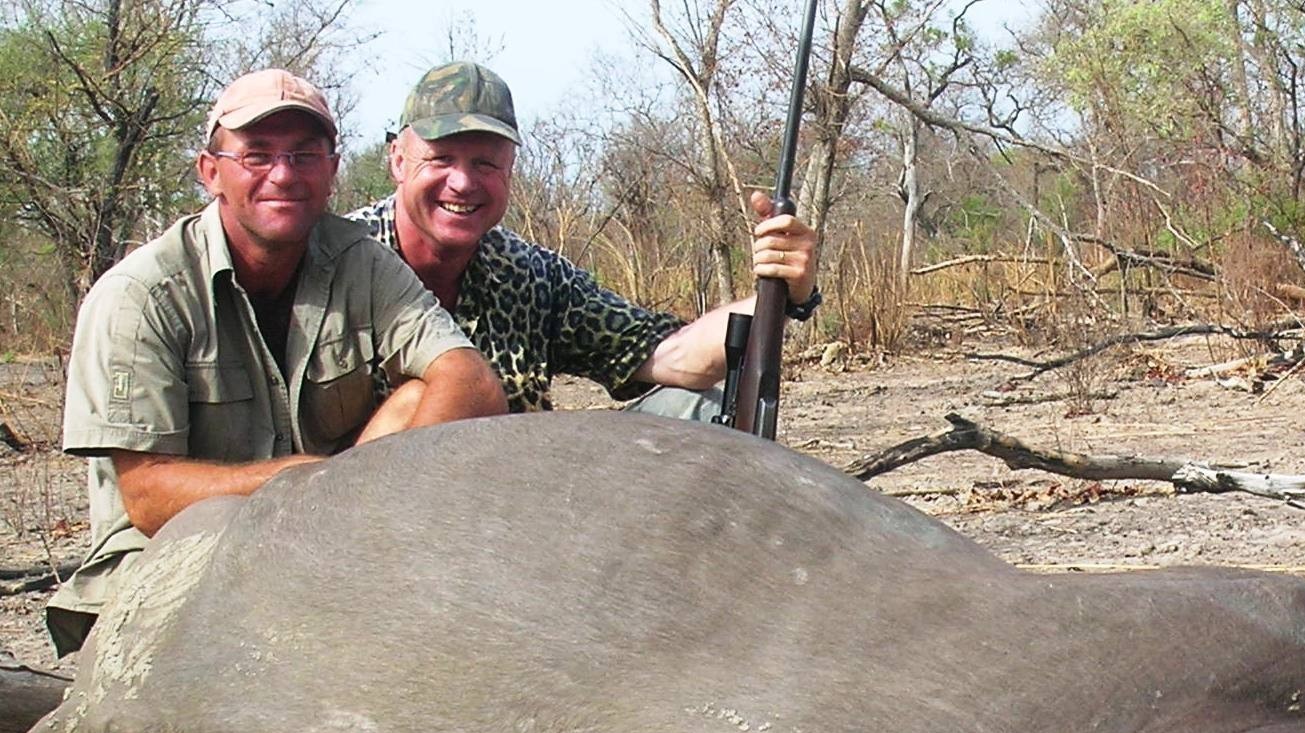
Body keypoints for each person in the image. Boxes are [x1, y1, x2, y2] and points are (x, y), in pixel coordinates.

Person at [50, 68, 507, 657]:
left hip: (320, 546)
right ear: (210, 171)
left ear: (332, 170)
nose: (284, 175)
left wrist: (360, 515)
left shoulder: (361, 263)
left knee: (422, 396)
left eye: (304, 155)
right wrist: (307, 488)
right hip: (171, 560)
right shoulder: (139, 295)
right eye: (257, 155)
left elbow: (468, 379)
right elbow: (147, 496)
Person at [346, 62, 823, 419]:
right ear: (397, 159)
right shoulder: (341, 258)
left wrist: (781, 291)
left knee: (701, 407)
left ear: (510, 170)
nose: (463, 183)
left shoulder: (535, 276)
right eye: (442, 158)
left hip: (510, 511)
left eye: (485, 163)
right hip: (365, 523)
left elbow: (676, 357)